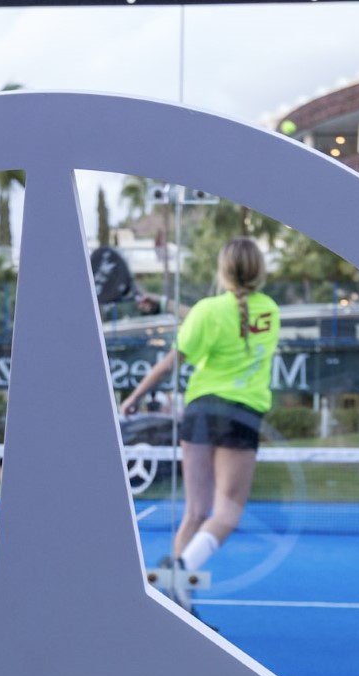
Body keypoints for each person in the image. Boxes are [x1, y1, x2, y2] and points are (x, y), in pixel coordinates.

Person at [119, 237, 280, 615]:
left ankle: (177, 609)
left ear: (223, 271)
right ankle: (181, 570)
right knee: (226, 515)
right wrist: (164, 303)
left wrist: (134, 396)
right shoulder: (270, 311)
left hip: (200, 413)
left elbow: (171, 360)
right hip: (240, 416)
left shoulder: (208, 311)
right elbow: (227, 317)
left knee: (195, 512)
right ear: (259, 271)